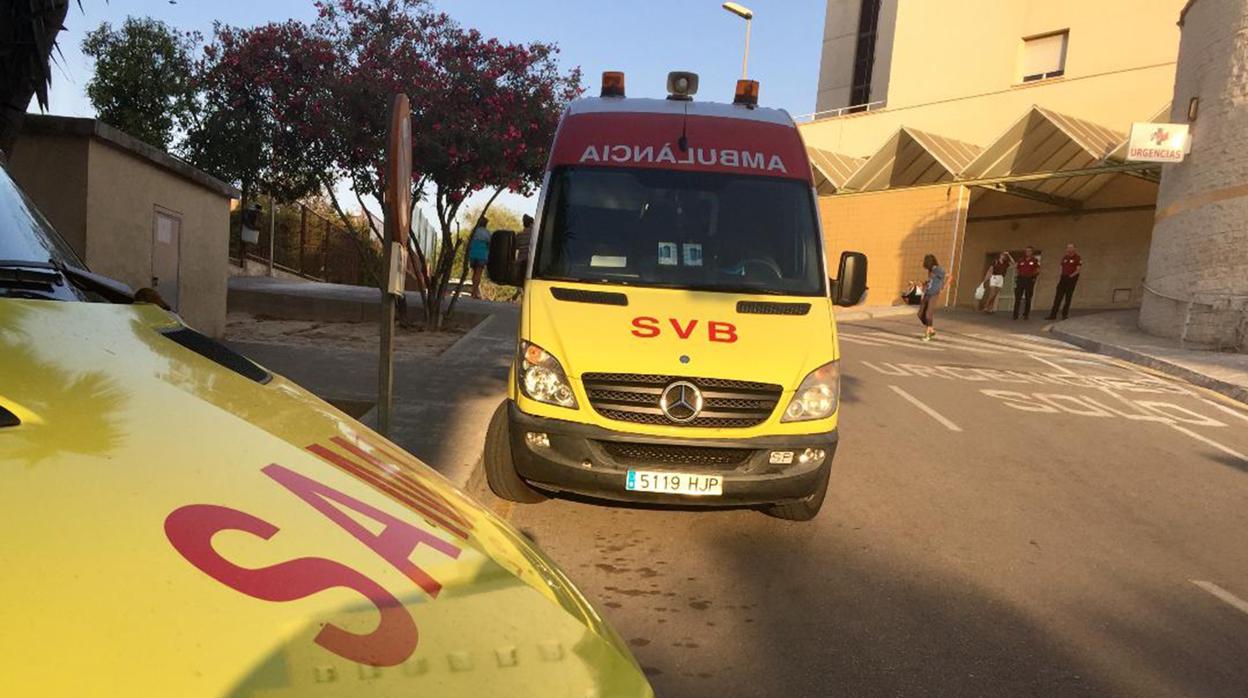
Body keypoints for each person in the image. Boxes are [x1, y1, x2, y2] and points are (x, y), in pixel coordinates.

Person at [1046, 243, 1082, 321]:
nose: (1069, 249)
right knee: (1058, 297)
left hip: (1071, 279)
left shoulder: (1077, 258)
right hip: (1063, 278)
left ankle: (1064, 315)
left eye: (1071, 248)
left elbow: (1078, 270)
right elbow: (1061, 266)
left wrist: (1070, 276)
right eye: (1068, 248)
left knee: (1068, 298)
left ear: (1074, 249)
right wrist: (1061, 274)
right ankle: (1053, 315)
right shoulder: (1065, 257)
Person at [918, 254, 945, 341]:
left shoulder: (938, 269)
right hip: (927, 293)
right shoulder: (930, 271)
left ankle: (928, 333)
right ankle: (931, 329)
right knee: (920, 314)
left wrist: (942, 288)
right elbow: (929, 282)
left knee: (928, 314)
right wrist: (922, 287)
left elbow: (947, 276)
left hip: (934, 294)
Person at [1013, 246, 1041, 320]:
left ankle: (1026, 314)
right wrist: (1017, 275)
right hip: (1021, 279)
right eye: (1026, 251)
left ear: (1032, 252)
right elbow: (1017, 268)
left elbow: (1038, 270)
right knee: (1018, 297)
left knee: (1028, 297)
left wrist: (1032, 276)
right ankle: (1015, 314)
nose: (1027, 252)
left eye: (1029, 251)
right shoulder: (1021, 260)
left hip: (1029, 280)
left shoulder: (1034, 260)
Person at [468, 216, 491, 299]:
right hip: (481, 254)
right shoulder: (487, 233)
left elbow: (469, 242)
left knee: (474, 273)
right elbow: (489, 244)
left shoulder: (474, 231)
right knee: (478, 273)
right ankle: (474, 292)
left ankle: (474, 291)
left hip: (473, 253)